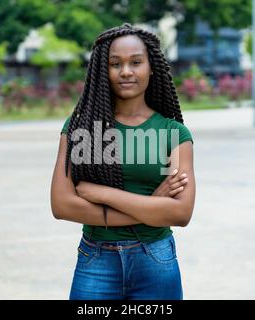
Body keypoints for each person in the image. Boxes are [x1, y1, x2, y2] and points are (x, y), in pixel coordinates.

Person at [50, 23, 195, 300]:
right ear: (102, 71)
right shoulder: (82, 128)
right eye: (115, 63)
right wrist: (153, 205)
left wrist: (104, 194)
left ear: (151, 67)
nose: (126, 71)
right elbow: (62, 205)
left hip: (156, 260)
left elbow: (180, 213)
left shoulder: (173, 132)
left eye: (136, 62)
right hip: (96, 260)